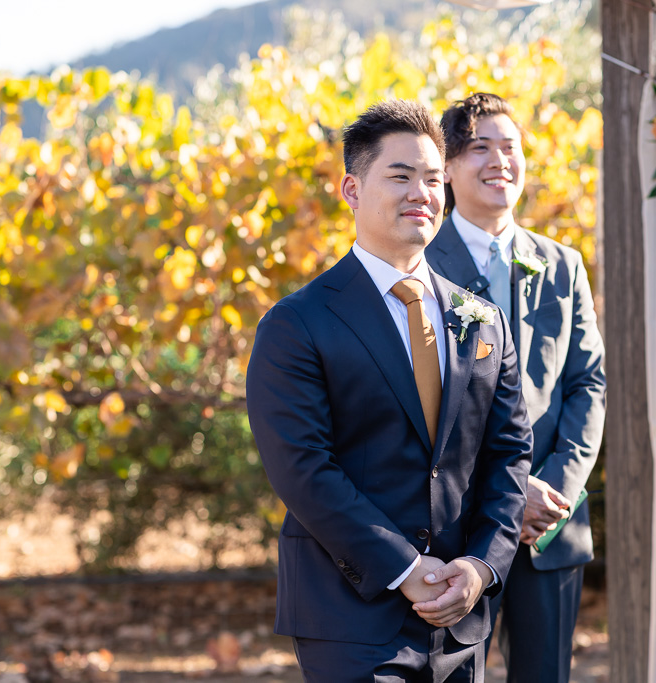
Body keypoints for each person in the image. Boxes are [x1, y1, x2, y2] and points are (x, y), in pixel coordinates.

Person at [245, 99, 533, 682]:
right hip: (350, 612)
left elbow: (508, 455)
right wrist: (405, 567)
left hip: (460, 615)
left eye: (433, 179)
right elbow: (302, 467)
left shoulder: (481, 319)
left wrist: (479, 567)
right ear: (351, 189)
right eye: (400, 176)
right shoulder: (297, 323)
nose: (421, 193)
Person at [426, 93, 607, 683]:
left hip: (550, 526)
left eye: (511, 147)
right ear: (448, 168)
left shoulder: (561, 264)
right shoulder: (420, 265)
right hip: (459, 528)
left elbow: (587, 383)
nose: (500, 160)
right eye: (480, 147)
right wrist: (507, 492)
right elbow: (419, 403)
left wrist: (551, 490)